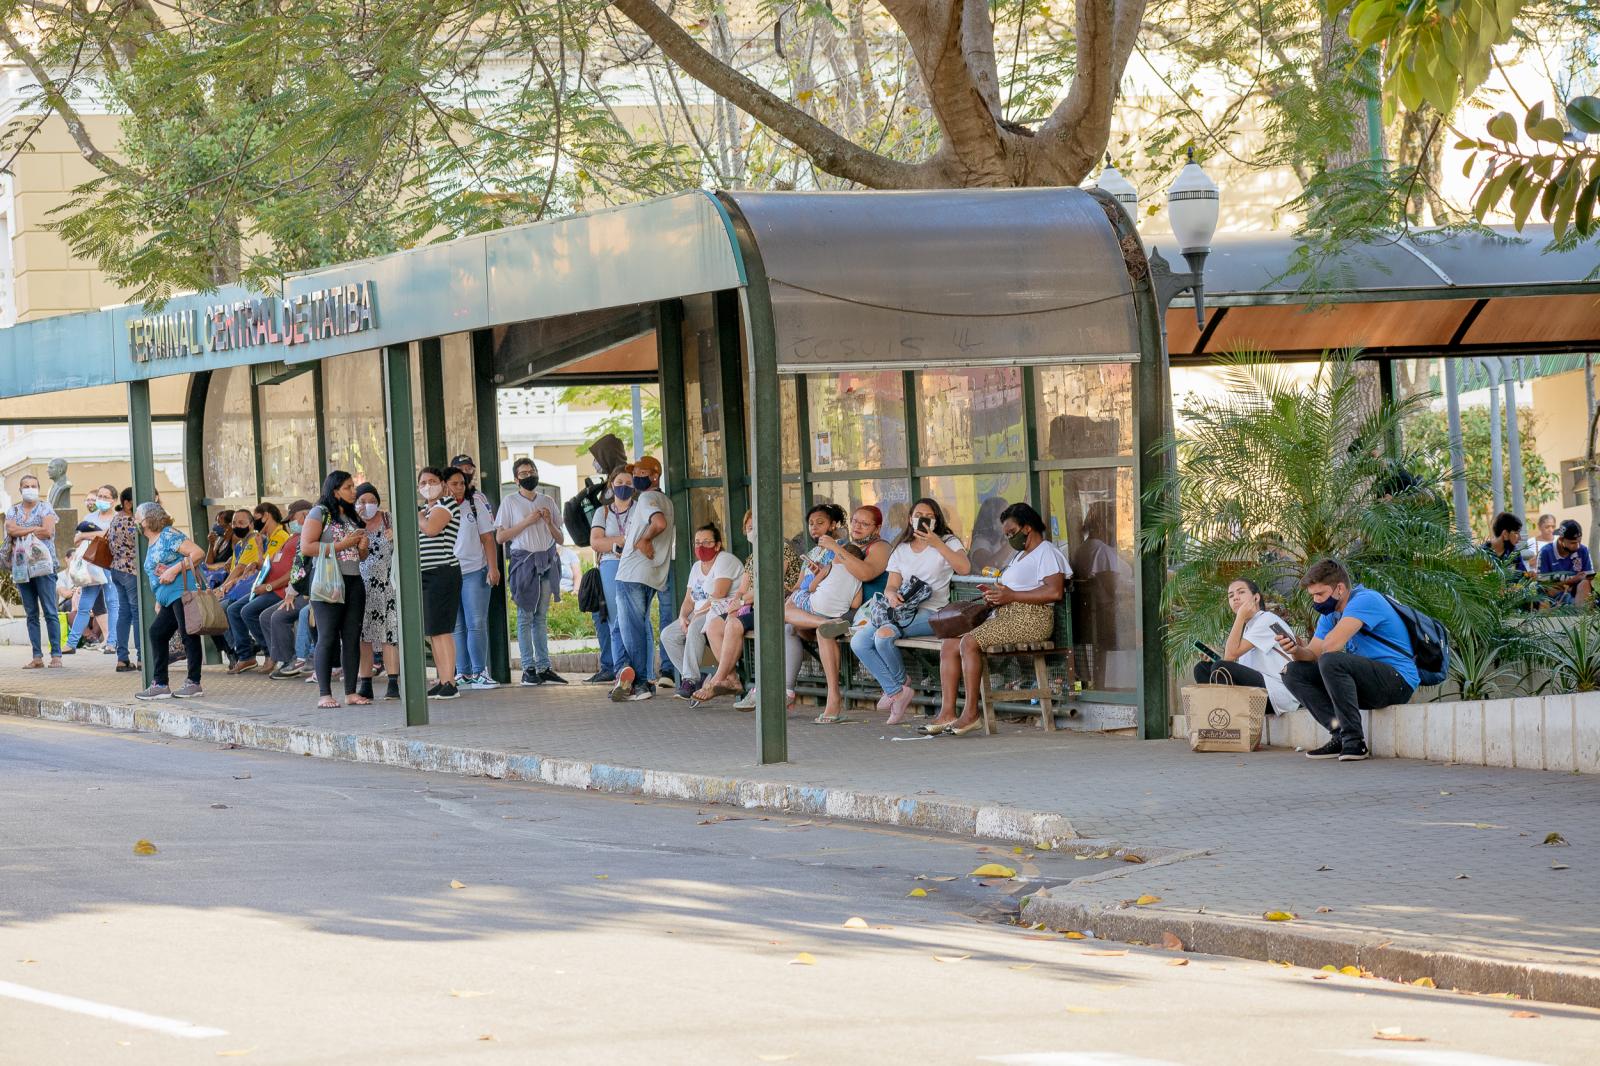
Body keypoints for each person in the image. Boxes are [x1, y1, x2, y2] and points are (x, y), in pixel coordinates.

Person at [927, 502, 1069, 737]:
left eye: (1012, 532)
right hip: (1006, 615)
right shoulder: (1019, 556)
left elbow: (1055, 591)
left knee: (969, 642)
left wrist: (1011, 595)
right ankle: (948, 712)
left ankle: (971, 714)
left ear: (1027, 527)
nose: (1009, 538)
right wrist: (997, 596)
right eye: (1006, 535)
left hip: (1031, 619)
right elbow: (1013, 589)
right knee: (949, 643)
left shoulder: (1046, 552)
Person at [1277, 559, 1418, 762]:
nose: (1316, 601)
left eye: (1320, 594)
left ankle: (1355, 742)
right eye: (1313, 596)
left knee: (1331, 661)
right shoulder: (1330, 615)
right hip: (1366, 683)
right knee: (1293, 671)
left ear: (1340, 589)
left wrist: (1312, 650)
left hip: (1398, 681)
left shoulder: (1365, 600)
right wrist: (1296, 650)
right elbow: (1312, 654)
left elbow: (1330, 647)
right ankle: (1339, 734)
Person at [850, 498, 971, 725]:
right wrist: (892, 594)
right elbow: (891, 584)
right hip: (901, 609)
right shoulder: (902, 548)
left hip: (932, 612)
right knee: (858, 642)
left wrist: (937, 544)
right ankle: (897, 690)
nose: (923, 519)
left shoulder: (948, 541)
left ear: (936, 521)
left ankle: (897, 687)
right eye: (918, 515)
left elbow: (964, 568)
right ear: (910, 519)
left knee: (884, 636)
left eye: (929, 516)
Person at [694, 510, 804, 707]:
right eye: (750, 528)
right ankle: (732, 678)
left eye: (758, 528)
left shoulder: (781, 549)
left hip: (776, 605)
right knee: (714, 626)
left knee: (734, 625)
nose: (754, 532)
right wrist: (736, 605)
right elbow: (742, 589)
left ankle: (718, 678)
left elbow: (771, 584)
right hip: (750, 606)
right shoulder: (752, 558)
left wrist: (742, 602)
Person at [302, 471, 371, 708]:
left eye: (354, 487)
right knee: (328, 636)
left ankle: (351, 691)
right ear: (334, 491)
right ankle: (324, 693)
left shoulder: (352, 516)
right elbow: (307, 547)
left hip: (353, 580)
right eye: (348, 487)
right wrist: (343, 544)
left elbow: (359, 556)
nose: (354, 492)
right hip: (328, 582)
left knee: (352, 637)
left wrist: (362, 546)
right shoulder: (320, 513)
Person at [496, 457, 566, 687]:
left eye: (532, 471)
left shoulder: (547, 500)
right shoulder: (510, 502)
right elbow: (501, 537)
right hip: (523, 563)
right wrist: (527, 521)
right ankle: (528, 668)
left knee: (541, 617)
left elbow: (560, 538)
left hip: (546, 560)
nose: (529, 476)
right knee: (525, 616)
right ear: (516, 479)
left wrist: (547, 522)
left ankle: (544, 666)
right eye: (524, 473)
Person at [610, 456, 675, 702]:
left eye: (641, 471)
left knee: (631, 629)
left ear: (655, 476)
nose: (636, 474)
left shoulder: (647, 498)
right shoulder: (666, 500)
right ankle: (628, 675)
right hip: (652, 572)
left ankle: (638, 683)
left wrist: (644, 539)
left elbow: (658, 523)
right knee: (624, 627)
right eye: (634, 470)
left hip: (632, 573)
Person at [784, 543, 867, 722]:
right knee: (802, 627)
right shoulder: (858, 578)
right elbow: (855, 603)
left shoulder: (830, 566)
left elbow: (812, 587)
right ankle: (826, 622)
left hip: (818, 609)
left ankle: (823, 622)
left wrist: (819, 577)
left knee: (788, 608)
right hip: (839, 613)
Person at [132, 501, 207, 700]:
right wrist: (159, 598)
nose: (135, 521)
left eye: (137, 517)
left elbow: (197, 553)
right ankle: (160, 684)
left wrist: (174, 571)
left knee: (188, 634)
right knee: (157, 632)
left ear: (147, 520)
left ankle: (194, 682)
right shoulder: (153, 540)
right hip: (168, 596)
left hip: (181, 592)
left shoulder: (168, 535)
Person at [1191, 579, 1299, 715]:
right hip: (1259, 691)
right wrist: (1215, 657)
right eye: (1230, 596)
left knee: (1220, 667)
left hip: (1278, 693)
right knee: (1202, 668)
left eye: (1241, 592)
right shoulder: (1249, 628)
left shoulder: (1267, 619)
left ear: (1256, 597)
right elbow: (1232, 662)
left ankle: (1226, 715)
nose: (1235, 597)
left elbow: (1230, 656)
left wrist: (1240, 616)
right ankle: (1218, 715)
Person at [662, 523, 742, 698]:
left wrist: (696, 615)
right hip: (698, 612)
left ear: (718, 544)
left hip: (721, 610)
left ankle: (689, 680)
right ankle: (698, 678)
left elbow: (719, 594)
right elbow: (688, 599)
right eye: (697, 542)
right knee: (668, 635)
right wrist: (683, 616)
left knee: (695, 625)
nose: (701, 546)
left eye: (706, 542)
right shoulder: (696, 567)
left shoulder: (724, 560)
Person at [446, 464, 501, 690]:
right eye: (454, 484)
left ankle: (480, 671)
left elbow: (488, 538)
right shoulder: (437, 508)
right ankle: (463, 672)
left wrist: (493, 567)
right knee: (457, 626)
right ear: (444, 485)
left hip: (474, 572)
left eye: (462, 483)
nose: (459, 487)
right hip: (449, 573)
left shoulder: (474, 504)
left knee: (476, 623)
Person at [223, 503, 288, 673]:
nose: (255, 523)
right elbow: (263, 564)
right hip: (264, 585)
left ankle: (269, 653)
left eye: (257, 518)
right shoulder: (266, 537)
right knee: (233, 610)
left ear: (266, 516)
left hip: (276, 587)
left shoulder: (280, 536)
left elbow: (268, 565)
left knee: (247, 611)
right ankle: (245, 656)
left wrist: (258, 553)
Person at [7, 473, 62, 668]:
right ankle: (37, 656)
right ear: (20, 490)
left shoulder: (45, 507)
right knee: (31, 613)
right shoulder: (13, 510)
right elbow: (10, 530)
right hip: (22, 568)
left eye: (33, 485)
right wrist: (33, 528)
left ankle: (56, 655)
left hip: (44, 567)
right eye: (26, 486)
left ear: (38, 488)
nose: (30, 489)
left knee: (50, 611)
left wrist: (22, 529)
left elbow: (48, 531)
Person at [417, 467, 463, 699]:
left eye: (432, 481)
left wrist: (416, 515)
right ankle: (443, 678)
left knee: (442, 630)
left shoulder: (446, 505)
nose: (427, 486)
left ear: (442, 484)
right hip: (426, 574)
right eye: (423, 482)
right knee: (434, 631)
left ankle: (450, 682)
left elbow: (431, 529)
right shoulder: (427, 509)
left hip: (442, 573)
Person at [587, 464, 635, 685]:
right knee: (616, 619)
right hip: (610, 566)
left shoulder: (640, 508)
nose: (624, 487)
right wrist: (621, 542)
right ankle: (621, 669)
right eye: (619, 483)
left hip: (635, 566)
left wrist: (613, 542)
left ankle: (642, 671)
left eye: (628, 483)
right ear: (611, 485)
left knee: (637, 618)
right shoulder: (603, 511)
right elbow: (596, 541)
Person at [352, 484, 400, 701]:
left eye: (370, 500)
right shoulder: (353, 525)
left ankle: (393, 683)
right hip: (361, 587)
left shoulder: (389, 519)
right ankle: (366, 683)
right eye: (361, 501)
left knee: (389, 635)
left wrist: (395, 536)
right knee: (364, 637)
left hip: (387, 586)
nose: (366, 505)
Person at [251, 500, 309, 678]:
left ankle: (292, 660)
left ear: (305, 515)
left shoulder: (309, 537)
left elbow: (297, 570)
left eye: (294, 519)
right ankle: (283, 659)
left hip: (305, 593)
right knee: (266, 615)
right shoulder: (293, 537)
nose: (291, 524)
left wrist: (274, 588)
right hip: (291, 591)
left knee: (276, 616)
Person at [63, 483, 117, 653]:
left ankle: (112, 642)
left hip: (109, 564)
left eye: (105, 497)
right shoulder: (90, 517)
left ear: (114, 500)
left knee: (112, 603)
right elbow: (76, 540)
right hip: (91, 567)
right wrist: (91, 535)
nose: (101, 499)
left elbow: (108, 535)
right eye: (99, 496)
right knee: (85, 605)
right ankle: (71, 644)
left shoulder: (117, 518)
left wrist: (86, 534)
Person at [105, 486, 142, 671]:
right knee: (137, 614)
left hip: (116, 570)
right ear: (127, 503)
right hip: (131, 570)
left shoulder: (115, 519)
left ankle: (122, 658)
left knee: (123, 614)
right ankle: (143, 657)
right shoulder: (131, 522)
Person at [1537, 519, 1593, 606]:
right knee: (1551, 590)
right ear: (1561, 539)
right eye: (1573, 543)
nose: (1577, 546)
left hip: (1577, 593)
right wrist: (1571, 581)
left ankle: (1581, 614)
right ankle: (1576, 611)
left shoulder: (1583, 550)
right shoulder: (1545, 552)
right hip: (1555, 596)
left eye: (1579, 542)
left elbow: (1590, 579)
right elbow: (1544, 587)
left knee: (1585, 583)